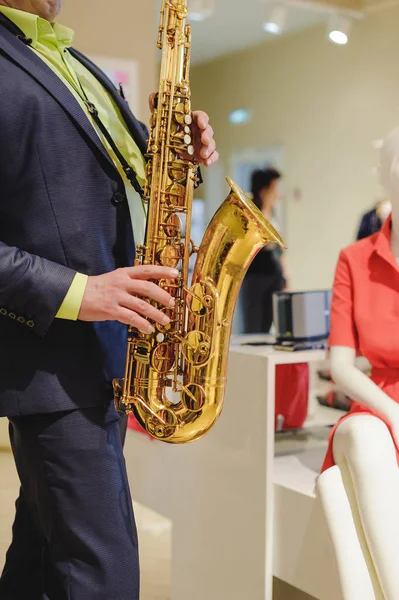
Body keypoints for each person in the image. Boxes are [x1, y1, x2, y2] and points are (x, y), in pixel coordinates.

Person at [0, 1, 218, 599]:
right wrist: (83, 291)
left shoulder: (72, 59)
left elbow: (106, 178)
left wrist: (173, 149)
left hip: (104, 356)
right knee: (104, 575)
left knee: (41, 565)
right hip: (54, 365)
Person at [317, 127, 399, 599]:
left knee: (335, 488)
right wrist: (392, 414)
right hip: (375, 404)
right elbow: (341, 365)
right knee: (367, 436)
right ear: (384, 174)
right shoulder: (355, 258)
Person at [241, 167, 289, 333]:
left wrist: (286, 276)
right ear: (264, 190)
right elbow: (264, 242)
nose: (278, 193)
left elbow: (279, 249)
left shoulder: (274, 213)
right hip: (255, 277)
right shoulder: (253, 213)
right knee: (254, 325)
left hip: (273, 275)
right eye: (274, 187)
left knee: (270, 323)